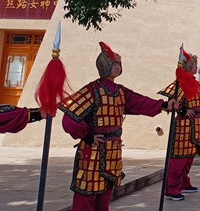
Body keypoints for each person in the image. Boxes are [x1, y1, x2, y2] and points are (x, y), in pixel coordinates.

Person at [59, 42, 177, 211]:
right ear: (104, 65)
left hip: (112, 152)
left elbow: (139, 102)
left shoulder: (120, 91)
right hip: (93, 152)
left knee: (105, 198)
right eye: (113, 63)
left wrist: (164, 105)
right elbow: (69, 119)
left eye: (119, 64)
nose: (117, 67)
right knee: (86, 196)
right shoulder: (92, 90)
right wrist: (87, 136)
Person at [159, 50, 200, 201]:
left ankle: (184, 183)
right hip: (184, 127)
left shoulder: (194, 83)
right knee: (178, 159)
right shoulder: (180, 84)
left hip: (196, 125)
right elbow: (172, 103)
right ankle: (171, 189)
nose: (197, 66)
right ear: (188, 65)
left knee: (188, 158)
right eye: (195, 64)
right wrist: (183, 110)